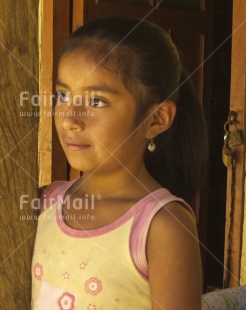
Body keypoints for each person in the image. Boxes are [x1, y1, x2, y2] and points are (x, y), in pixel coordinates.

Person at [31, 16, 207, 309]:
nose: (70, 120)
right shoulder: (45, 202)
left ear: (156, 119)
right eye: (63, 95)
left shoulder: (162, 226)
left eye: (96, 102)